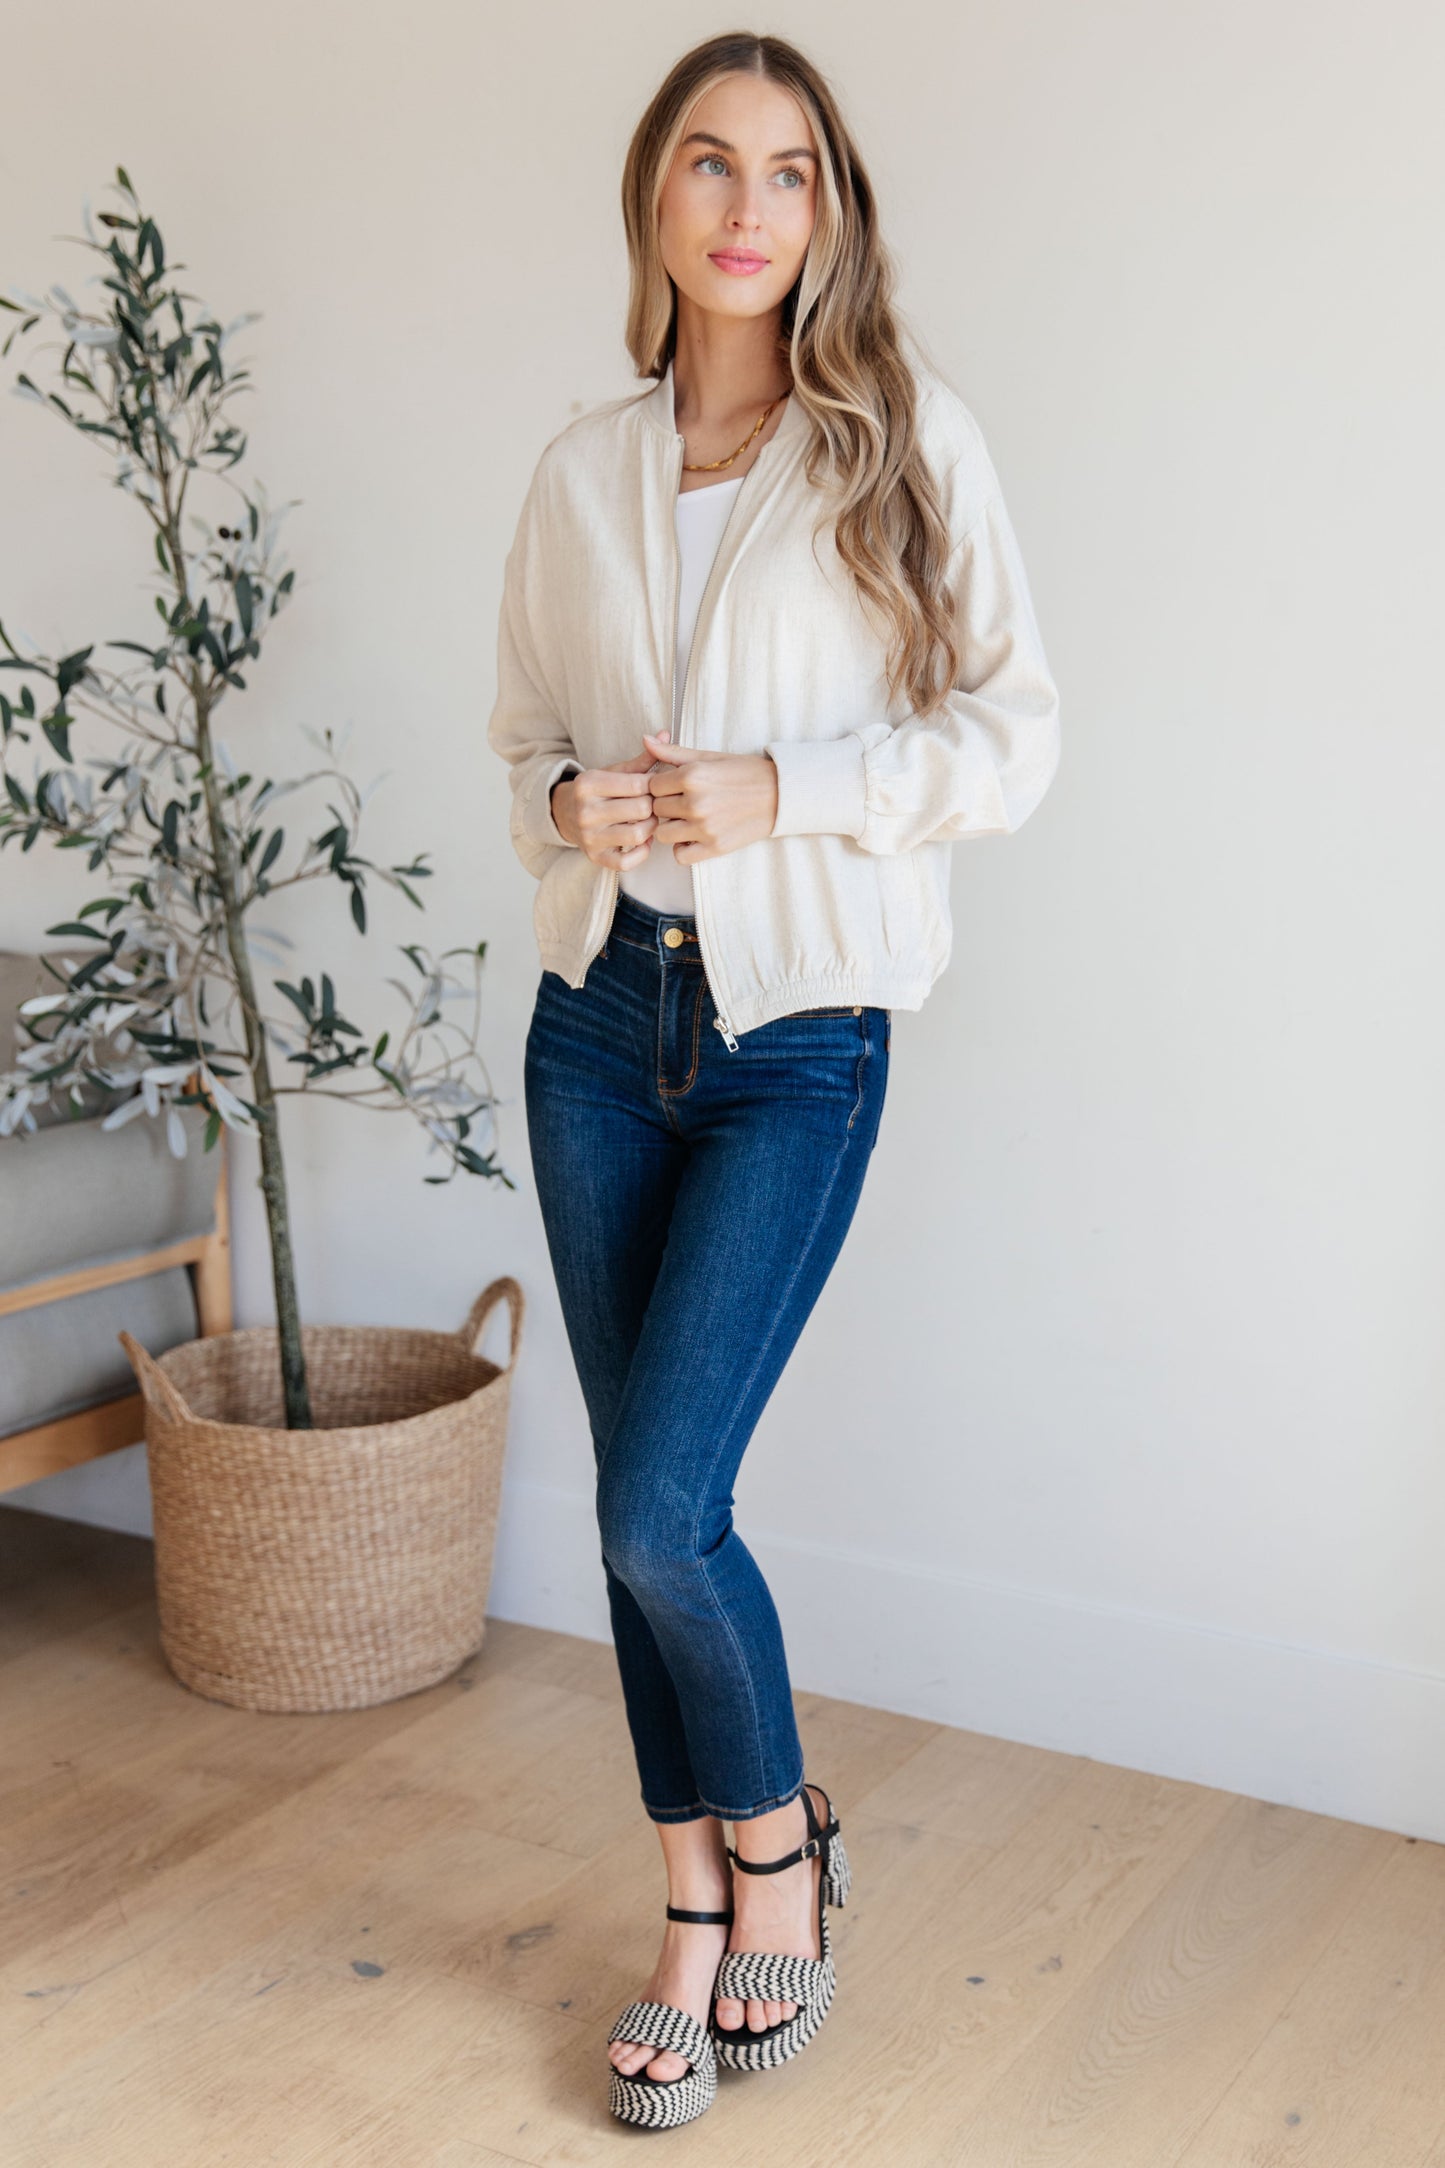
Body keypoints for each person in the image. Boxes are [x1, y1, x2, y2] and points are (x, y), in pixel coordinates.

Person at [486, 28, 1061, 2131]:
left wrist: (780, 789)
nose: (749, 206)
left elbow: (1012, 741)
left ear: (831, 208)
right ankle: (691, 1908)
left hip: (795, 1038)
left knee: (664, 1504)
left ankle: (782, 1848)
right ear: (655, 198)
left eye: (790, 169)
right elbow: (521, 743)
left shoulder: (898, 444)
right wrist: (571, 801)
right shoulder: (580, 471)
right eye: (710, 164)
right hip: (592, 1027)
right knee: (630, 1511)